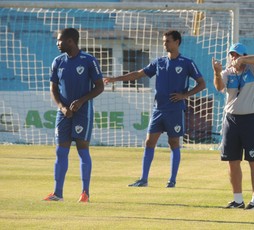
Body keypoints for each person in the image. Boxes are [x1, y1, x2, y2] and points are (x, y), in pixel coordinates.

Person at [104, 30, 206, 188]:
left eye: (168, 41)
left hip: (175, 110)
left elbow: (202, 84)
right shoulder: (159, 62)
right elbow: (138, 74)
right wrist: (115, 79)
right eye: (164, 41)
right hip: (158, 110)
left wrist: (184, 95)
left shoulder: (187, 63)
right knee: (149, 142)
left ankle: (172, 180)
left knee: (174, 143)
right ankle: (143, 179)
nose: (164, 44)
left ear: (177, 42)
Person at [43, 28, 104, 202]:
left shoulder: (89, 61)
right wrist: (62, 107)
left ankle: (85, 193)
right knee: (61, 152)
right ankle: (57, 193)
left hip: (83, 112)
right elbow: (53, 88)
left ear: (71, 41)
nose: (57, 43)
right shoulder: (57, 62)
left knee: (82, 150)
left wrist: (82, 101)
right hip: (63, 113)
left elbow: (99, 86)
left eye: (60, 40)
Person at [212, 43, 254, 210]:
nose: (233, 58)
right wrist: (216, 72)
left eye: (236, 55)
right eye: (231, 55)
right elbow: (219, 87)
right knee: (232, 161)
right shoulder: (227, 73)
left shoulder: (253, 70)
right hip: (231, 120)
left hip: (250, 119)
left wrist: (243, 59)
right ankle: (237, 200)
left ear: (243, 56)